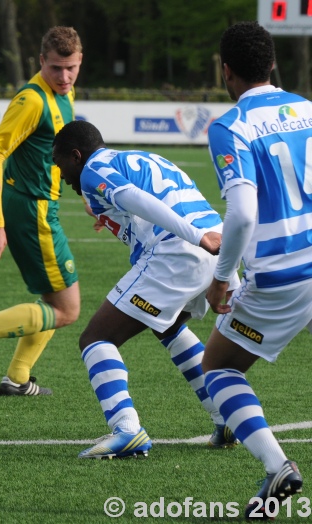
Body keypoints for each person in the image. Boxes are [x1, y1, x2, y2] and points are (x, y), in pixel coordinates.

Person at [51, 119, 240, 459]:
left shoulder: (95, 169)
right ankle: (225, 415)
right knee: (167, 327)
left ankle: (127, 430)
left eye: (61, 165)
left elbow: (135, 198)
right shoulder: (137, 158)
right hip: (216, 249)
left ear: (76, 156)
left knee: (95, 338)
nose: (63, 177)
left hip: (182, 250)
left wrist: (197, 237)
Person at [201, 21, 310, 519]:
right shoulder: (309, 110)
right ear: (271, 64)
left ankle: (277, 467)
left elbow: (242, 213)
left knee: (219, 367)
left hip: (284, 273)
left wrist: (221, 276)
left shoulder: (230, 125)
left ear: (226, 70)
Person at [0, 26, 83, 395]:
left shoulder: (65, 93)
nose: (64, 76)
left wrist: (89, 196)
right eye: (56, 68)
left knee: (53, 300)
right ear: (41, 60)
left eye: (71, 68)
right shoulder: (33, 100)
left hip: (39, 206)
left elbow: (58, 156)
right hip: (31, 210)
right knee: (68, 309)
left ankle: (18, 378)